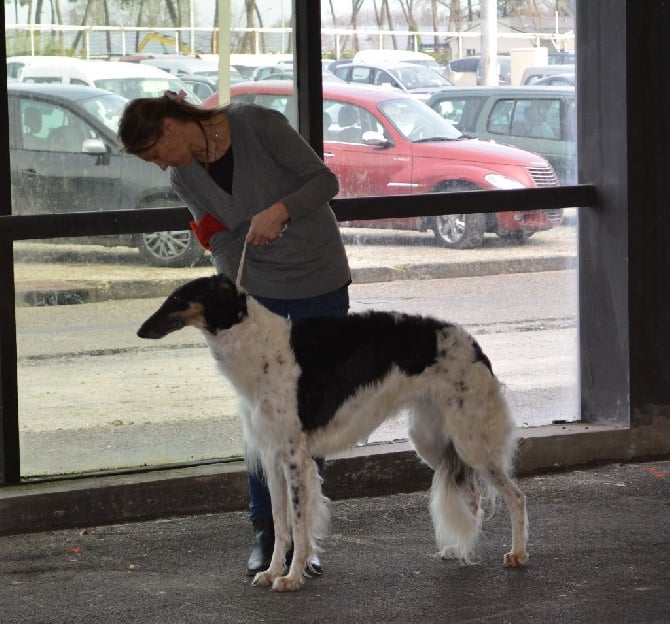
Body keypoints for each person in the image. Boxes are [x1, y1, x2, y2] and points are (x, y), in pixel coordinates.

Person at [118, 90, 351, 577]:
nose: (161, 167)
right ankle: (267, 534)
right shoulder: (185, 174)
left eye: (156, 154)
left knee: (309, 414)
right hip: (258, 295)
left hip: (318, 283)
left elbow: (324, 181)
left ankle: (305, 540)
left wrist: (280, 210)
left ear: (168, 129)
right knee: (260, 419)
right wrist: (235, 289)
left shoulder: (257, 124)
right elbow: (215, 233)